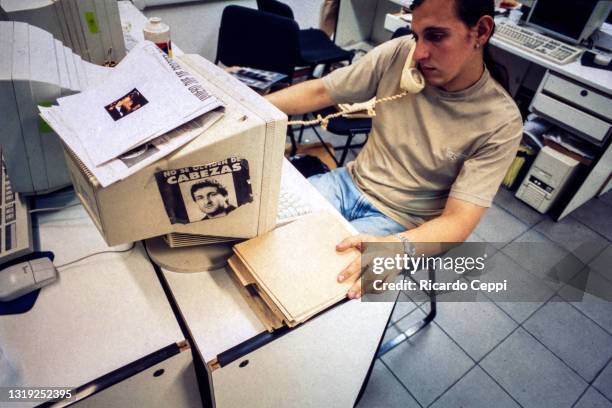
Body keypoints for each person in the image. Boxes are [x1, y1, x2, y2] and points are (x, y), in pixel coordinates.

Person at [266, 0, 523, 298]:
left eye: (436, 36)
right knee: (266, 229)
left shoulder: (500, 123)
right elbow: (323, 90)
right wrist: (247, 106)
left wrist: (398, 248)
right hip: (349, 182)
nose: (420, 53)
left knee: (313, 283)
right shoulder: (400, 54)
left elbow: (458, 221)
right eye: (416, 36)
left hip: (401, 219)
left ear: (480, 31)